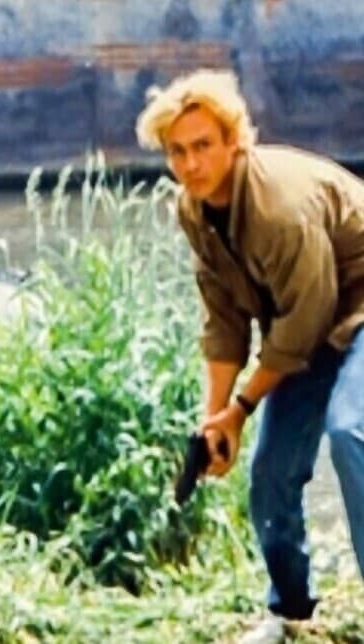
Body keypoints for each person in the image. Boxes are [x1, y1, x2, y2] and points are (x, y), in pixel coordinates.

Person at [136, 69, 364, 644]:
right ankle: (290, 611)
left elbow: (304, 320)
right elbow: (224, 321)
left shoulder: (278, 209)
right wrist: (215, 418)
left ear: (234, 141)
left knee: (349, 432)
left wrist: (241, 408)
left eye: (203, 146)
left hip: (351, 308)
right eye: (177, 151)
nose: (191, 164)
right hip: (312, 324)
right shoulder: (193, 209)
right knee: (270, 473)